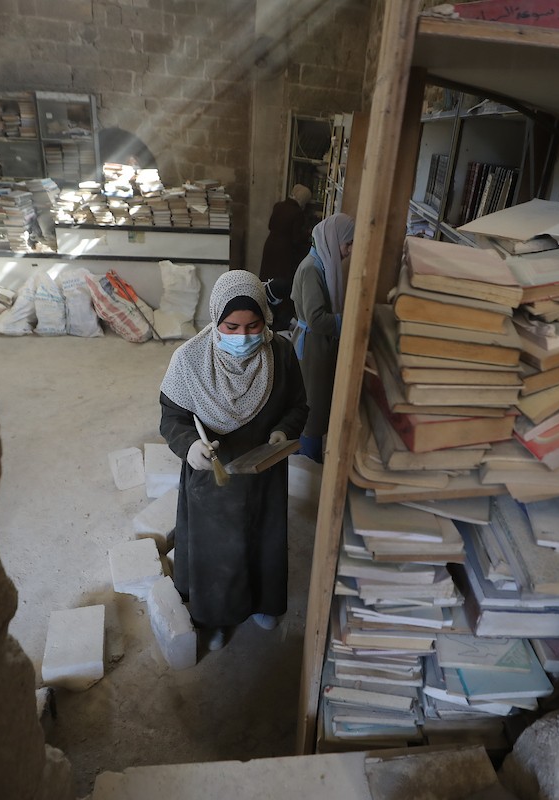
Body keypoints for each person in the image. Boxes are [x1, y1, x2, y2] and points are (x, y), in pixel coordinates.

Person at [158, 269, 309, 653]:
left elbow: (298, 405)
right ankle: (215, 617)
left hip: (263, 472)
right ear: (215, 321)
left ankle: (262, 603)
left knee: (262, 541)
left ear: (265, 318)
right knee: (217, 551)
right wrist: (190, 446)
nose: (243, 336)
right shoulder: (189, 360)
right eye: (231, 327)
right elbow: (172, 417)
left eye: (253, 326)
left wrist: (283, 431)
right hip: (213, 475)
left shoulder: (280, 354)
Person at [290, 213, 356, 463]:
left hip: (318, 345)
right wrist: (348, 321)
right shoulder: (312, 269)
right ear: (333, 238)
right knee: (313, 410)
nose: (349, 251)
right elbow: (316, 318)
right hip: (312, 348)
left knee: (316, 406)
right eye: (347, 244)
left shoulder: (322, 264)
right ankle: (308, 463)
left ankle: (305, 460)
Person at [258, 184, 313, 283]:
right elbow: (296, 238)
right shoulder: (297, 213)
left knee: (267, 275)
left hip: (270, 244)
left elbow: (270, 225)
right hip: (284, 250)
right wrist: (308, 234)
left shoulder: (278, 206)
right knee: (279, 280)